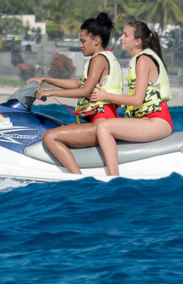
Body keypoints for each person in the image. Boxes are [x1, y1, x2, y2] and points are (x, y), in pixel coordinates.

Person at [27, 12, 123, 174]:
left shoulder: (99, 59)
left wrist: (51, 93)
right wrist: (45, 79)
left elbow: (84, 91)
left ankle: (77, 178)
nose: (80, 45)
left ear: (96, 40)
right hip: (104, 122)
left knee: (50, 137)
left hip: (101, 124)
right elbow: (78, 83)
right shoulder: (105, 57)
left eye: (83, 41)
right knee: (62, 128)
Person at [90, 20, 173, 176]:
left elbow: (137, 100)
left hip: (158, 121)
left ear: (137, 41)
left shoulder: (143, 61)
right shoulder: (140, 60)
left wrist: (106, 95)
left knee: (104, 127)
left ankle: (113, 178)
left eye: (125, 35)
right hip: (148, 120)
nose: (121, 37)